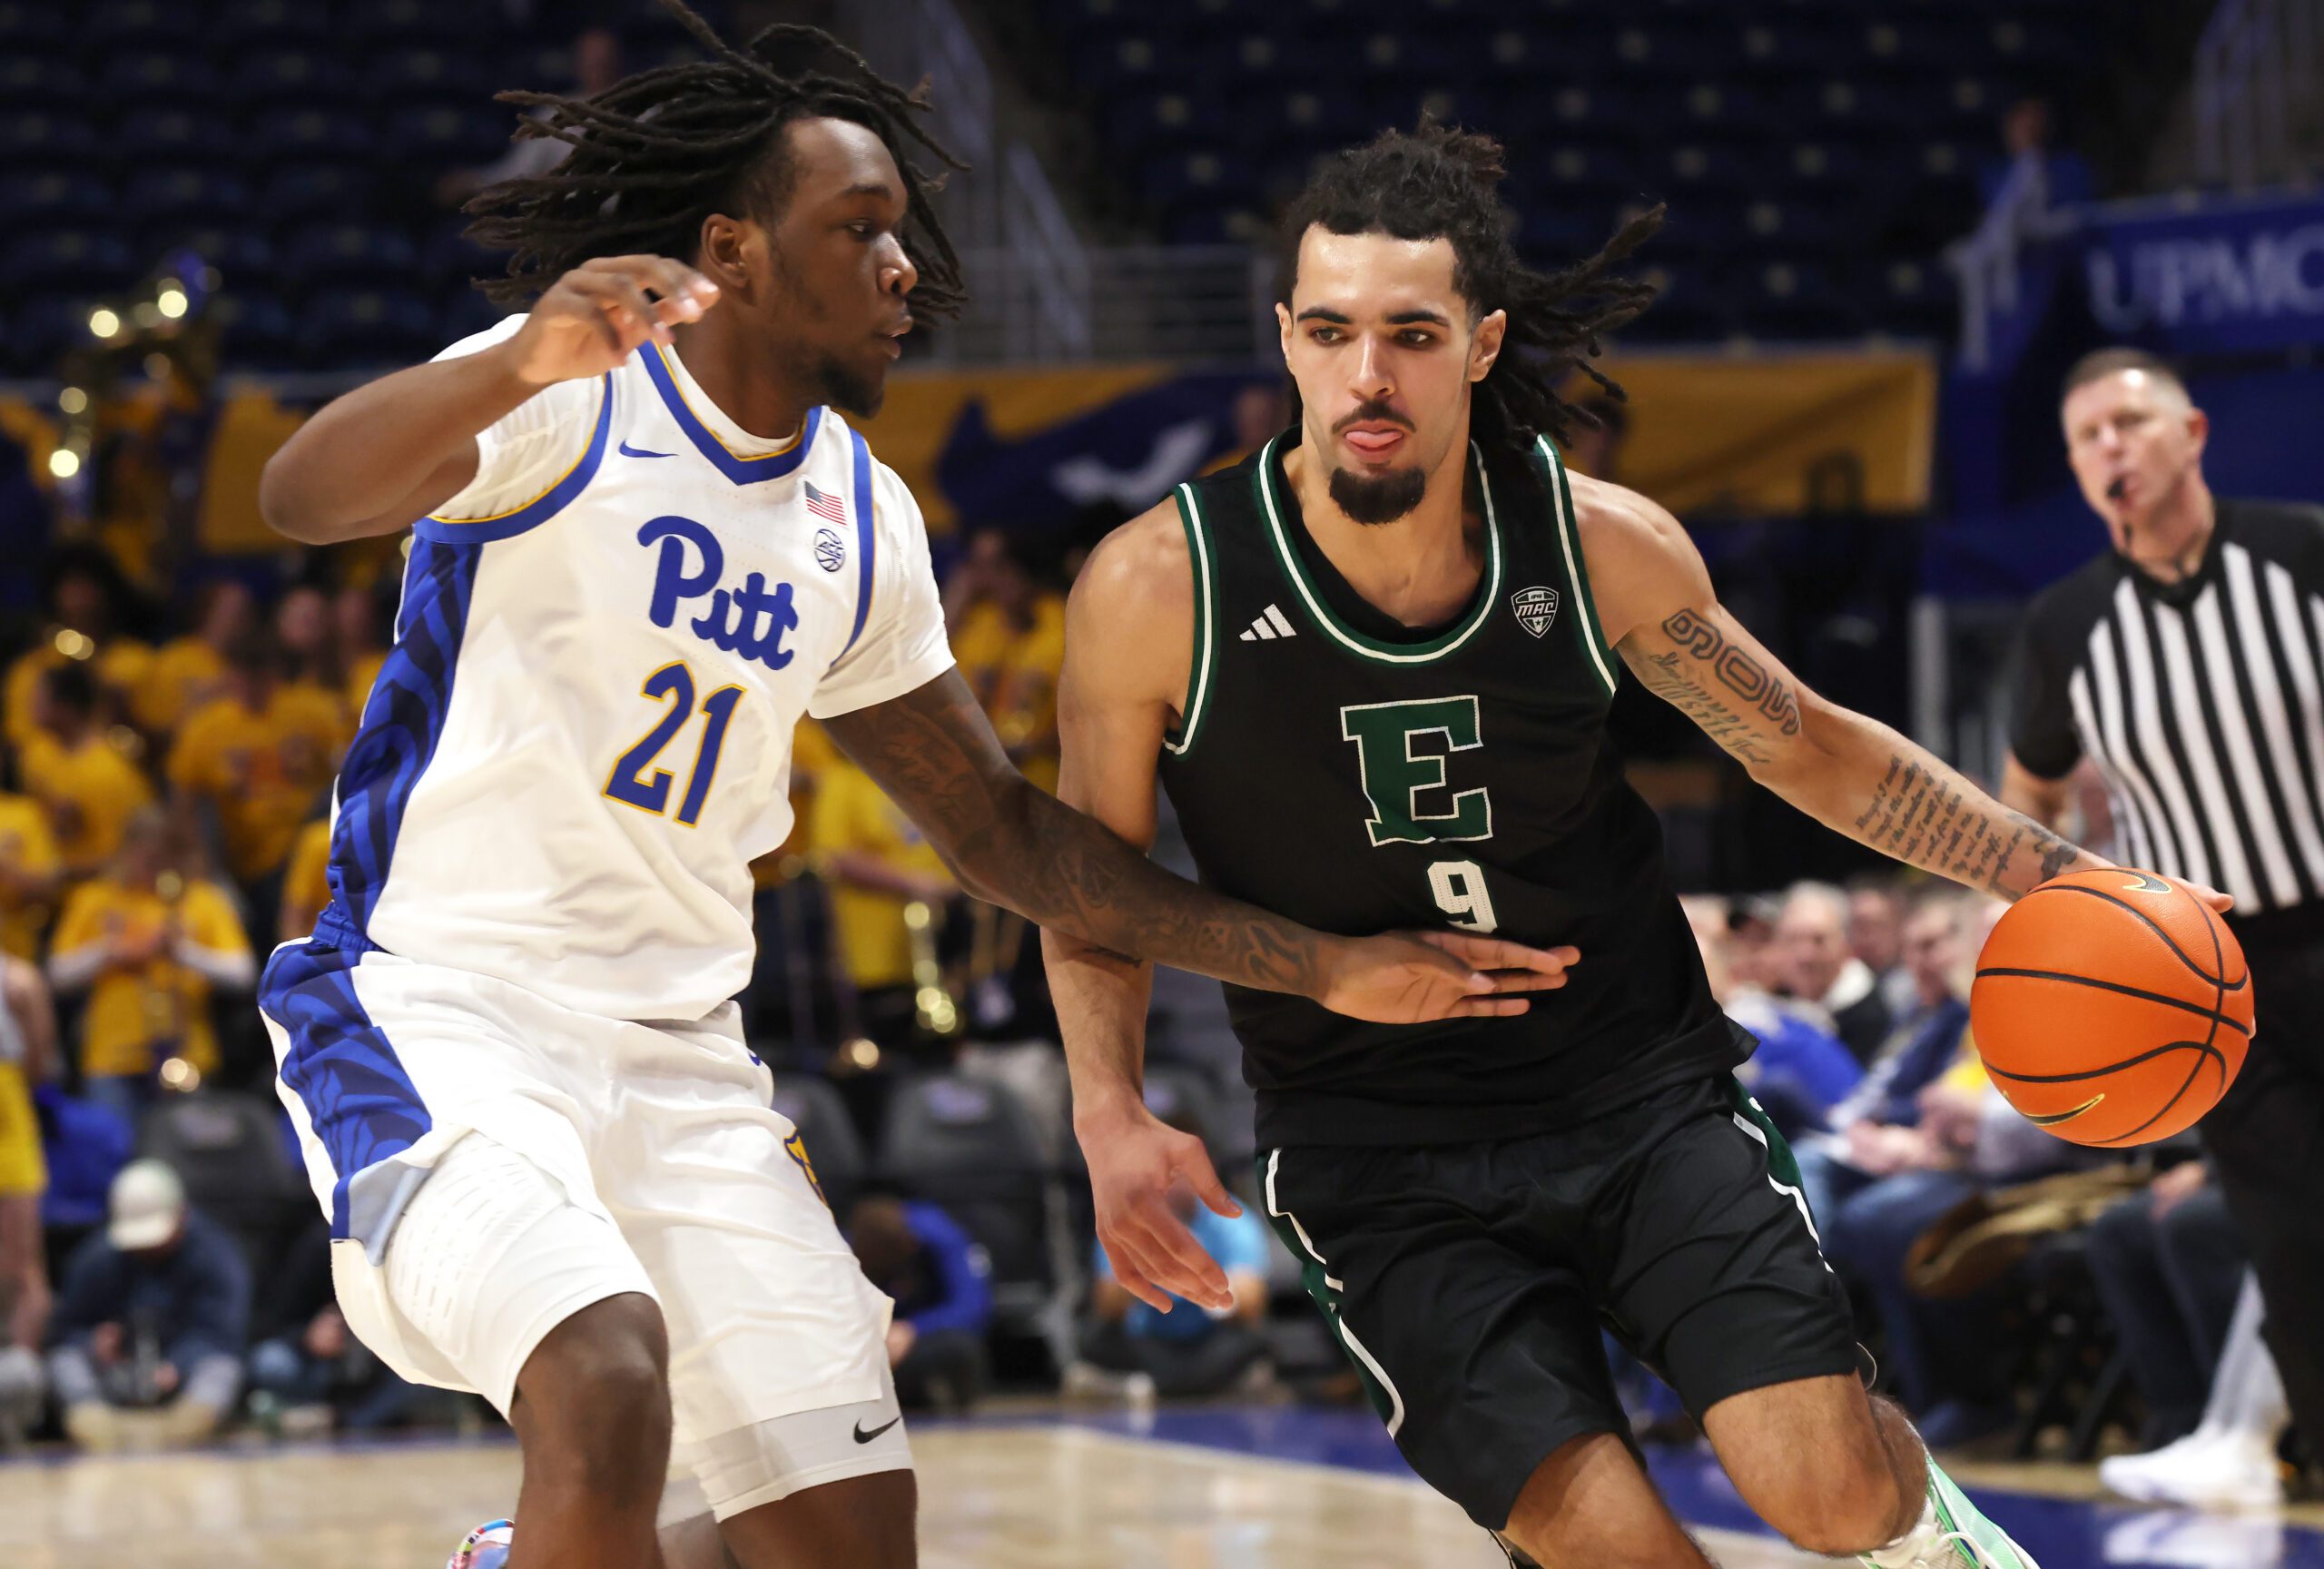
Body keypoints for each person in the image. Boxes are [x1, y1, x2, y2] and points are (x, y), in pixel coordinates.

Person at [251, 18, 1561, 1569]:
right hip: (442, 1007)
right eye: (859, 232)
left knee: (847, 1532)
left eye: (902, 237)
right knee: (603, 1385)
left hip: (679, 1055)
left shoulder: (858, 518)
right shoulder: (567, 390)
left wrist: (1316, 957)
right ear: (731, 248)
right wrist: (528, 354)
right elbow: (299, 495)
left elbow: (1004, 835)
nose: (905, 273)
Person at [1043, 125, 2204, 1569]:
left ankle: (1932, 1534)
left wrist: (2068, 879)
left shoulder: (1597, 545)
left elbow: (1812, 747)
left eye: (1411, 334)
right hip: (1374, 1156)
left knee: (1831, 1495)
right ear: (1285, 337)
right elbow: (1085, 884)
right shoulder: (1156, 587)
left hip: (1637, 1095)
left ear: (1480, 344)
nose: (1367, 377)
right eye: (1331, 332)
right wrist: (1108, 1108)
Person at [2002, 345, 2324, 1487]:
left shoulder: (2301, 552)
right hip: (2211, 972)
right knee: (2290, 1240)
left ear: (2190, 433)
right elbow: (2028, 792)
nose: (2109, 450)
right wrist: (2064, 917)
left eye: (2129, 424)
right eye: (2086, 437)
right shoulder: (2067, 624)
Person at [46, 807, 253, 1120]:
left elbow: (243, 973)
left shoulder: (201, 899)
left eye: (159, 857)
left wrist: (182, 952)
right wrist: (110, 951)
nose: (149, 866)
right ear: (125, 851)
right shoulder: (94, 898)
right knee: (113, 1155)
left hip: (187, 1054)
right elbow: (57, 973)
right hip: (111, 1059)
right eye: (142, 855)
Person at [1064, 1105, 1274, 1404]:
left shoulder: (1232, 1217)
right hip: (1147, 1336)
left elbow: (1252, 1301)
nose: (1174, 1181)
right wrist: (1147, 1267)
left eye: (1183, 1170)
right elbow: (1106, 1301)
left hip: (1205, 1336)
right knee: (1094, 1339)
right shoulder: (1129, 1216)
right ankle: (1191, 1384)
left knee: (1252, 1343)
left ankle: (1141, 1385)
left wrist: (1205, 1286)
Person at [46, 1158, 251, 1452]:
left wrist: (178, 1364)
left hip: (179, 1380)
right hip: (115, 1378)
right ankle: (98, 1430)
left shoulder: (215, 1256)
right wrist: (93, 1343)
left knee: (221, 1370)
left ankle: (181, 1432)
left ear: (181, 1215)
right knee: (65, 1365)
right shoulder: (97, 1257)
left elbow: (223, 1334)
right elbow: (63, 1332)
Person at [165, 625, 350, 901]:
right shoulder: (207, 728)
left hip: (296, 848)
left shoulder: (311, 713)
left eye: (260, 675)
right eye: (244, 675)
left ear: (275, 674)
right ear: (231, 676)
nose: (252, 686)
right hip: (234, 854)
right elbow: (184, 800)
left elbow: (348, 765)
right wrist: (199, 861)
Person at [845, 1196, 991, 1413]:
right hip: (875, 1344)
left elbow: (972, 1305)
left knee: (960, 1349)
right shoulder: (846, 1248)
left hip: (926, 1335)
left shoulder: (939, 1236)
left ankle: (962, 1410)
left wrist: (912, 1330)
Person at [20, 663, 155, 883]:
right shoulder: (36, 754)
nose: (30, 705)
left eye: (40, 698)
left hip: (95, 893)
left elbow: (120, 858)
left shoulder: (109, 773)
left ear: (66, 707)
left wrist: (58, 873)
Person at [0, 954, 56, 1447]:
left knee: (21, 1268)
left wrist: (24, 1015)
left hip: (8, 1115)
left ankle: (19, 1393)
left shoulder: (19, 978)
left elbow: (40, 1067)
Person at [1775, 881, 1895, 1064]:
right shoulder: (1776, 1001)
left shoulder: (1873, 1019)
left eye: (1819, 940)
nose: (1804, 955)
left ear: (1846, 944)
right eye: (1792, 940)